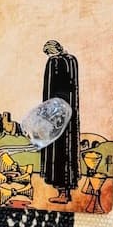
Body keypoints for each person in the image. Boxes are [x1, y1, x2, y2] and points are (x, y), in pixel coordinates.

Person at [40, 40, 81, 203]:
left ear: (51, 51)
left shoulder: (54, 62)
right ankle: (66, 191)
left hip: (55, 114)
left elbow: (50, 90)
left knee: (58, 150)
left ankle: (63, 194)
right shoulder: (72, 60)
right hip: (70, 113)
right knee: (68, 149)